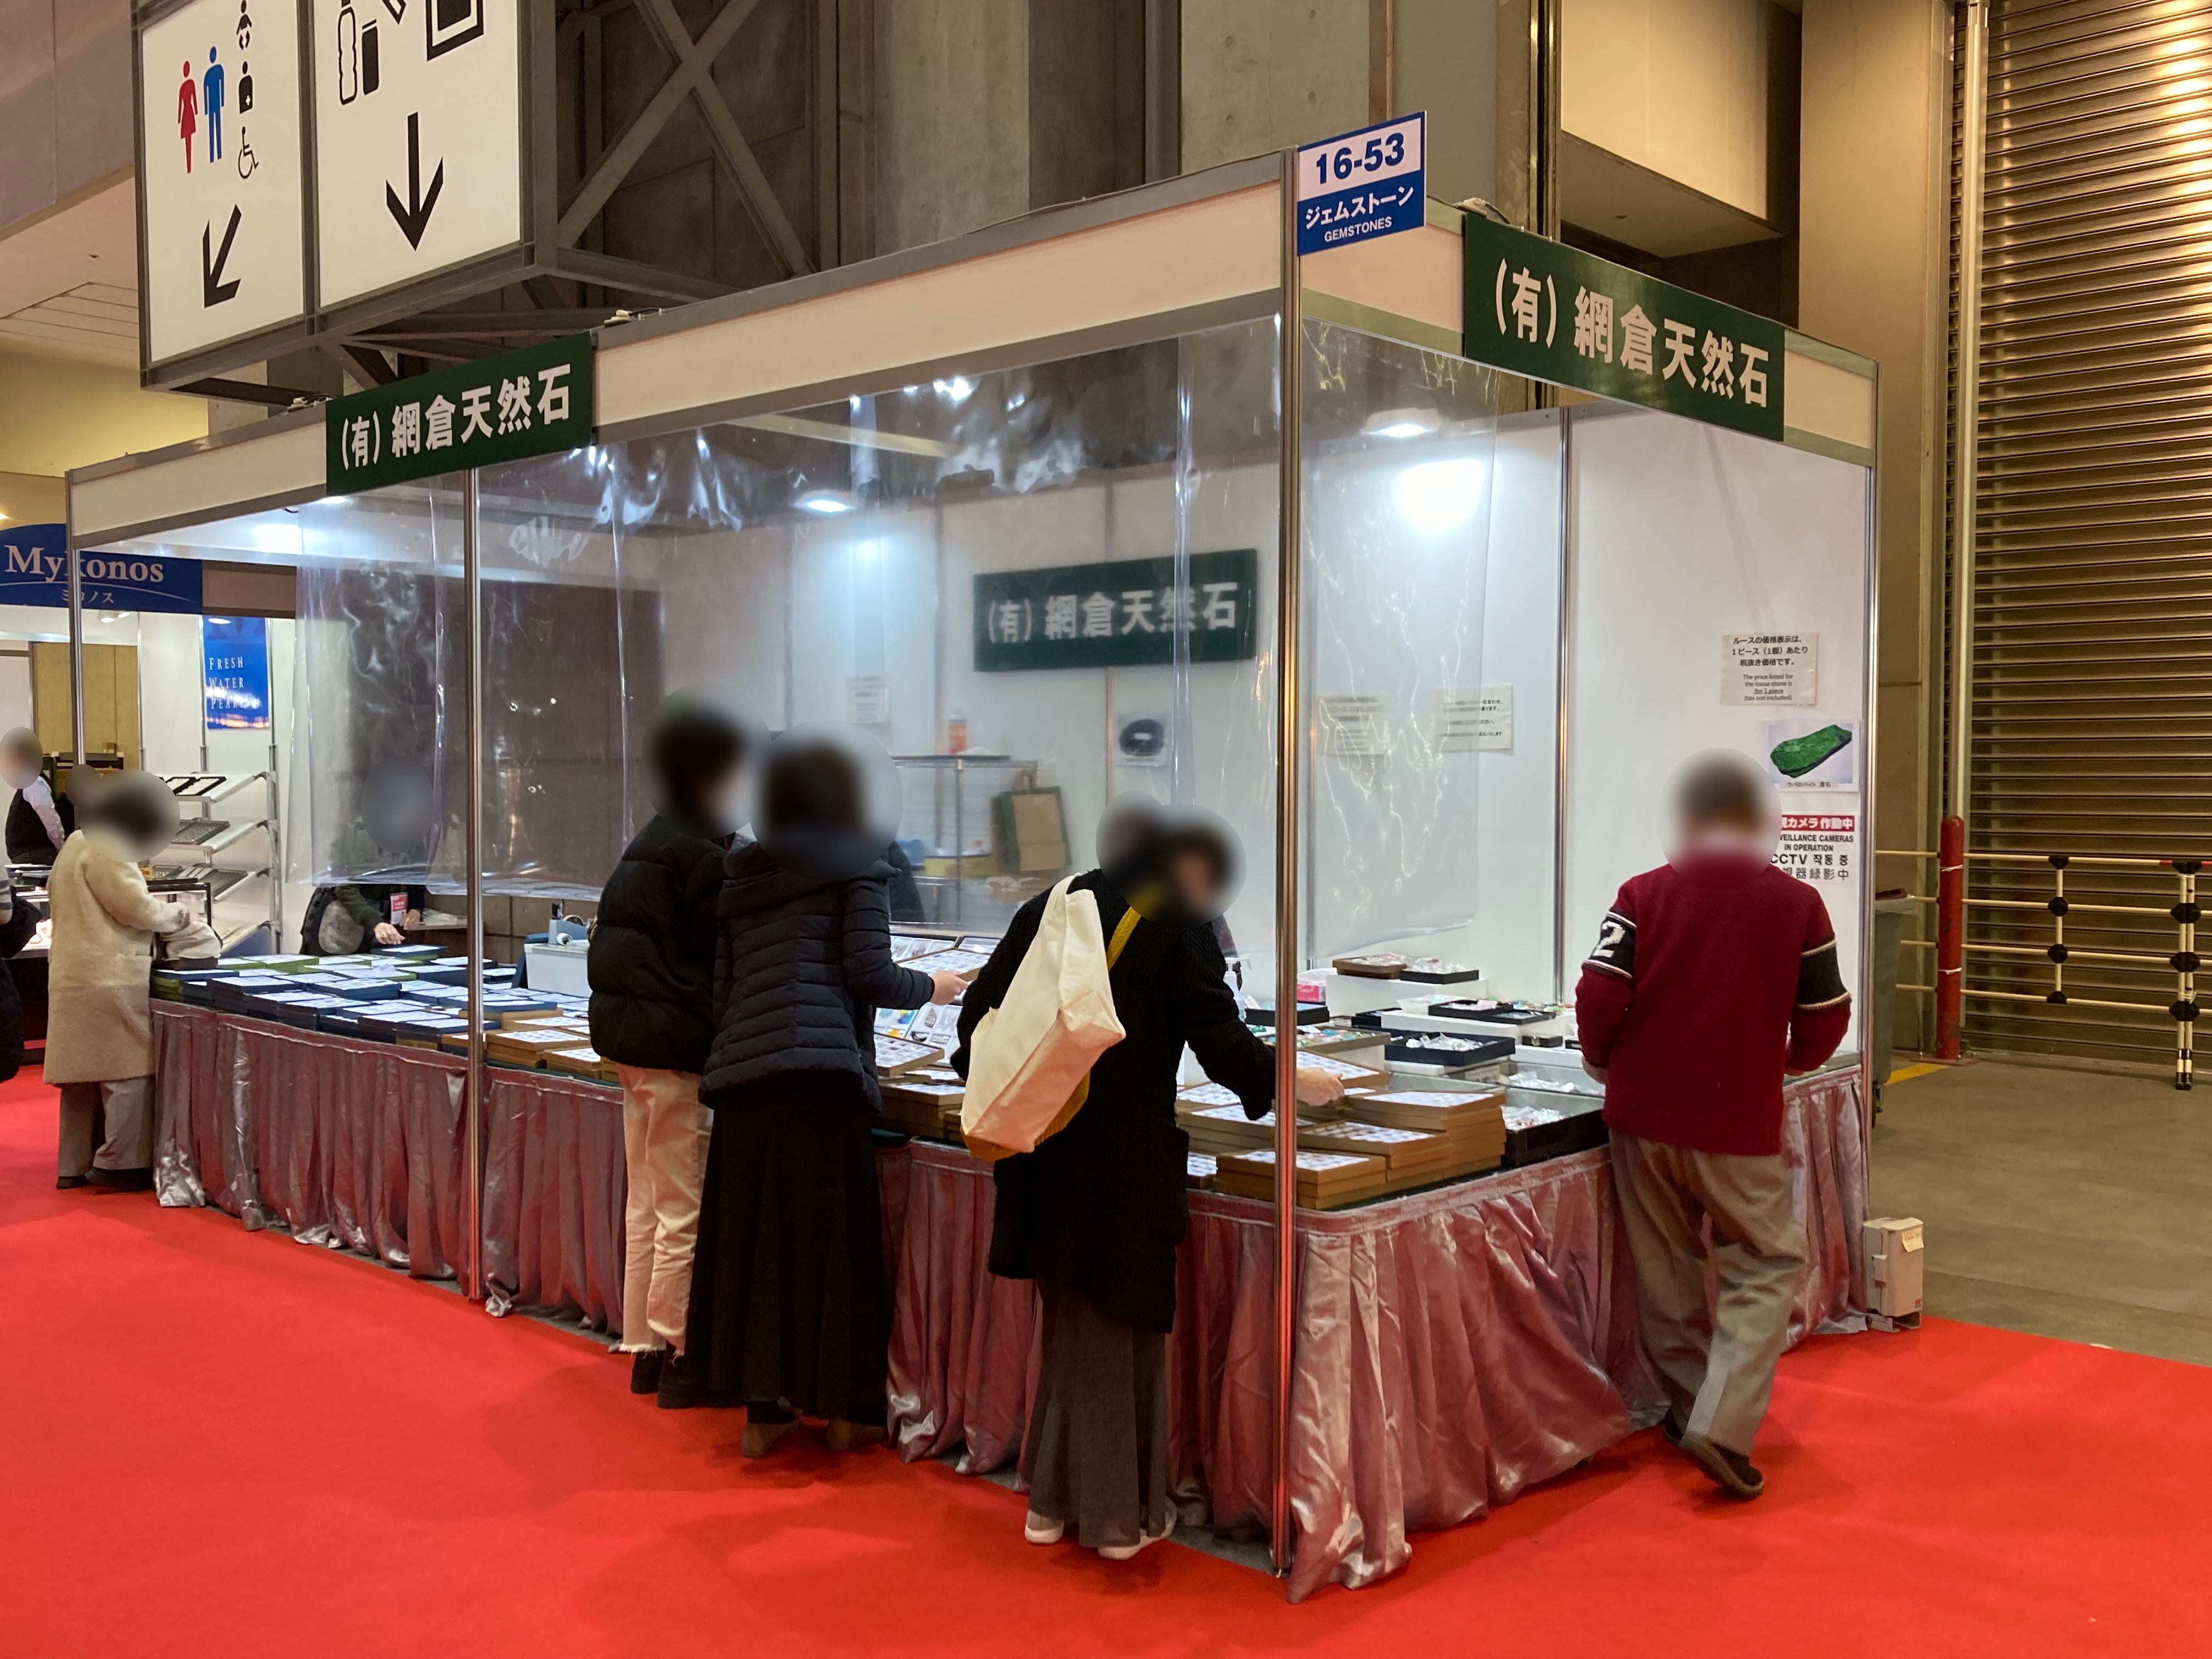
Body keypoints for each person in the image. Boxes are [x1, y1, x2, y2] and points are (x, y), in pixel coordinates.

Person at [955, 802, 1346, 1560]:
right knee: (1121, 1326)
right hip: (1124, 1160)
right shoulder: (1179, 924)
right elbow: (1223, 1046)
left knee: (1071, 1322)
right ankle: (1115, 1518)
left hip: (1042, 1149)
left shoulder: (1052, 904)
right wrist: (1296, 1078)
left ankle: (1050, 1501)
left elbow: (977, 1024)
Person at [1574, 749, 1850, 1501]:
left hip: (1641, 1115)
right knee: (1765, 1261)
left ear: (1688, 818)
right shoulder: (1797, 904)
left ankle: (1692, 1408)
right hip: (1736, 1118)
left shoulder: (1642, 894)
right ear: (1760, 819)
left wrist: (1602, 1060)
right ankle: (1722, 1427)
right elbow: (1826, 1015)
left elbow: (1599, 994)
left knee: (1666, 1268)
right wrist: (1788, 1062)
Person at [685, 728, 963, 1455]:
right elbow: (870, 974)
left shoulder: (742, 871)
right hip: (820, 1079)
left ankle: (762, 1411)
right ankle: (843, 1412)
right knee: (832, 1250)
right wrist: (935, 986)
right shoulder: (857, 865)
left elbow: (725, 989)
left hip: (745, 1081)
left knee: (759, 1249)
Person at [588, 691, 748, 1406]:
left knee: (648, 1202)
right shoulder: (704, 856)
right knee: (682, 1206)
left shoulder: (651, 839)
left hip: (631, 1049)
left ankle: (643, 1346)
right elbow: (723, 957)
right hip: (678, 1050)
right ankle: (681, 1352)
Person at [45, 771, 218, 1190]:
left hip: (72, 974)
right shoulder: (110, 849)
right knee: (128, 1072)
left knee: (79, 1079)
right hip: (111, 976)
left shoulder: (75, 844)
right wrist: (179, 917)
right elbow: (134, 907)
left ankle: (72, 1163)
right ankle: (119, 1162)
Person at [2, 731, 74, 866]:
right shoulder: (34, 781)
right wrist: (61, 846)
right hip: (34, 851)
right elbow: (48, 815)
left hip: (27, 851)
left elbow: (47, 813)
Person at [298, 882, 430, 955]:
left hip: (388, 916)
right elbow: (345, 889)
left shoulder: (412, 843)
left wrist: (416, 908)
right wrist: (375, 922)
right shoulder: (354, 842)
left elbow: (416, 877)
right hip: (345, 916)